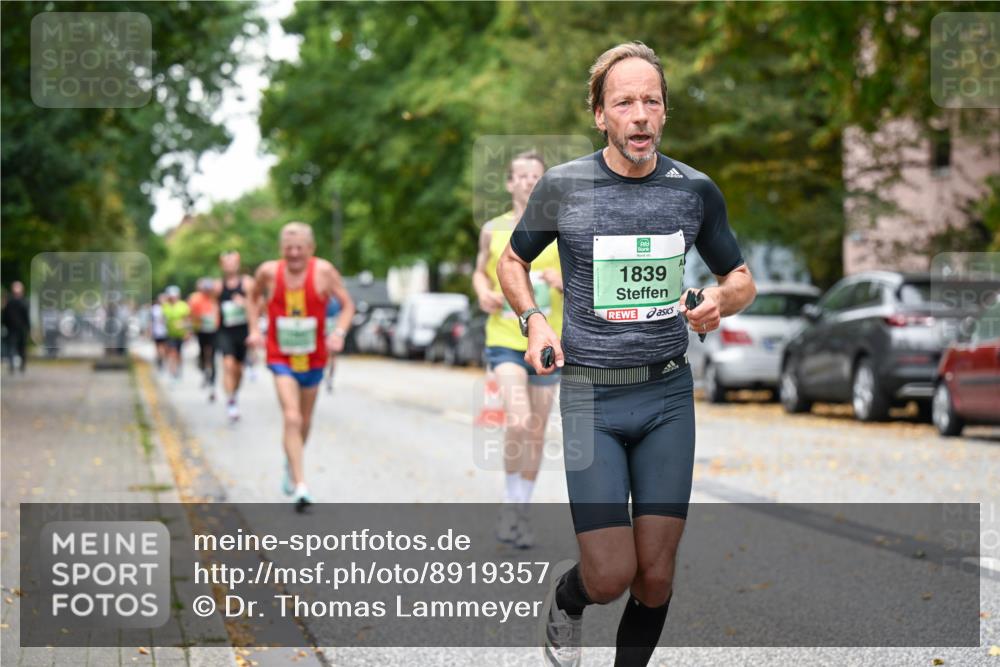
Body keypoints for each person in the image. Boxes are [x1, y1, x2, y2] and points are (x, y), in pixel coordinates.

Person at [496, 42, 756, 667]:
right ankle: (568, 599)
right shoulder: (564, 187)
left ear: (664, 112)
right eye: (624, 103)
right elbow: (512, 261)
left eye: (651, 101)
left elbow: (742, 278)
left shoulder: (695, 191)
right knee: (610, 574)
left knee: (656, 578)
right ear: (600, 115)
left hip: (666, 395)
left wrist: (719, 300)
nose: (640, 115)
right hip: (591, 395)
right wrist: (534, 322)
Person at [472, 151, 563, 550]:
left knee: (537, 428)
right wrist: (483, 293)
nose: (528, 181)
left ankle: (520, 509)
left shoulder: (561, 228)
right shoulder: (493, 229)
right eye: (521, 176)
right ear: (510, 183)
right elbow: (479, 271)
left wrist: (562, 280)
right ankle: (511, 501)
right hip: (505, 339)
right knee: (520, 419)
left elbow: (585, 276)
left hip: (548, 341)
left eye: (535, 176)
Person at [246, 222, 355, 511]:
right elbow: (252, 298)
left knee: (305, 420)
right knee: (292, 417)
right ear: (281, 249)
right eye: (288, 248)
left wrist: (339, 333)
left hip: (314, 357)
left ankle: (290, 462)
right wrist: (254, 329)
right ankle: (301, 485)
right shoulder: (269, 272)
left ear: (311, 248)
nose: (294, 253)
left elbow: (347, 305)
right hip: (280, 356)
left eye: (299, 248)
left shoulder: (324, 272)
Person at [214, 252, 255, 422]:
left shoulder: (247, 283)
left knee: (239, 370)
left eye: (232, 262)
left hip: (243, 332)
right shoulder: (218, 286)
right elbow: (214, 307)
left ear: (238, 264)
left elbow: (257, 306)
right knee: (228, 365)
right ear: (222, 266)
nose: (230, 265)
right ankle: (230, 401)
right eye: (226, 263)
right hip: (225, 332)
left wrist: (244, 304)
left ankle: (234, 394)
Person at [188, 278, 220, 402]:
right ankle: (205, 371)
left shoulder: (215, 298)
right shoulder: (195, 299)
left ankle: (212, 383)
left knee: (212, 355)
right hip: (201, 330)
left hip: (214, 331)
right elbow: (191, 314)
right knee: (203, 353)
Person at [161, 285, 191, 381]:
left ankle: (179, 369)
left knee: (178, 353)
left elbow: (188, 320)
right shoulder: (165, 306)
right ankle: (173, 373)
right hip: (170, 334)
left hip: (181, 334)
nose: (173, 298)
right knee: (172, 353)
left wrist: (187, 332)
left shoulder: (183, 305)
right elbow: (162, 319)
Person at [1, 281, 29, 373]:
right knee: (18, 348)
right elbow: (26, 316)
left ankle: (15, 366)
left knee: (14, 348)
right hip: (17, 329)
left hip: (15, 329)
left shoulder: (9, 302)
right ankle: (19, 366)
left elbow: (4, 315)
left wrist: (4, 324)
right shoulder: (23, 302)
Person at [324, 296, 342, 393]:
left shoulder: (332, 300)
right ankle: (329, 377)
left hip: (329, 328)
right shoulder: (336, 300)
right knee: (332, 356)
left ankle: (328, 377)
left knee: (330, 356)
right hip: (333, 327)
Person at [149, 295, 169, 371]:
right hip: (157, 331)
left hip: (165, 331)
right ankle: (160, 360)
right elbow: (151, 320)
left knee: (164, 347)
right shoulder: (155, 309)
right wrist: (150, 330)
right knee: (159, 347)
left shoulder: (167, 308)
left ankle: (161, 359)